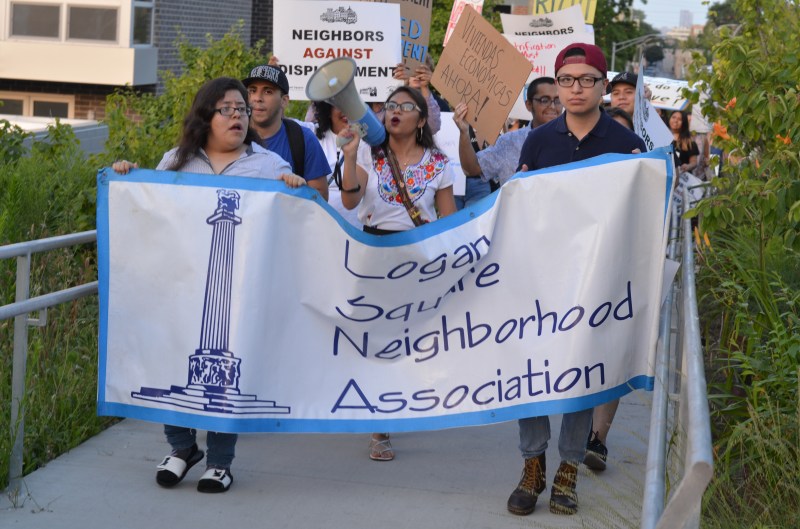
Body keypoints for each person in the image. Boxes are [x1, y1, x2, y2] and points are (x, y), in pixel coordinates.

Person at [112, 77, 306, 493]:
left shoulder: (267, 165)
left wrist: (294, 188)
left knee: (230, 372)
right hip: (180, 287)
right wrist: (127, 177)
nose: (238, 116)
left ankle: (220, 461)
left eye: (242, 109)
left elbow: (294, 224)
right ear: (206, 116)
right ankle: (182, 448)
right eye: (227, 110)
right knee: (170, 356)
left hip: (242, 291)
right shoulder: (177, 162)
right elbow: (149, 206)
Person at [509, 43, 647, 517]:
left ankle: (568, 468)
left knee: (584, 370)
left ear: (603, 86)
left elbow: (641, 219)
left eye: (586, 79)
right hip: (539, 279)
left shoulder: (627, 146)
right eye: (566, 80)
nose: (575, 89)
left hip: (596, 282)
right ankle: (532, 463)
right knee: (528, 370)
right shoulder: (539, 141)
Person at [337, 86, 457, 460]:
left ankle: (403, 401)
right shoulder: (371, 156)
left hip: (417, 257)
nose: (395, 112)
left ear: (421, 120)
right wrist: (351, 156)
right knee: (379, 339)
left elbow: (449, 220)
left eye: (406, 107)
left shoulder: (439, 163)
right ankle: (380, 428)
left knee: (411, 340)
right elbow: (349, 199)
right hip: (375, 253)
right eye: (390, 106)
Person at [453, 77, 562, 191]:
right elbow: (472, 169)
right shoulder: (508, 142)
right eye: (545, 100)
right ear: (529, 104)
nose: (553, 106)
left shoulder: (574, 140)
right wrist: (464, 132)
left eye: (558, 100)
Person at [242, 64, 331, 200]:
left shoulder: (303, 139)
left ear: (284, 101)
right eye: (252, 91)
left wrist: (299, 189)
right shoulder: (233, 135)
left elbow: (321, 198)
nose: (257, 98)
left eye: (268, 92)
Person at [313, 100, 369, 228]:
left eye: (350, 103)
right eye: (339, 104)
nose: (346, 110)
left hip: (357, 232)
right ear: (327, 110)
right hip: (320, 228)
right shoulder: (312, 135)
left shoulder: (369, 143)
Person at [669, 109, 699, 174]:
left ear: (684, 123)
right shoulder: (662, 137)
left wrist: (688, 166)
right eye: (673, 117)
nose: (675, 120)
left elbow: (694, 162)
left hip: (682, 178)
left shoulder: (690, 143)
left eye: (679, 119)